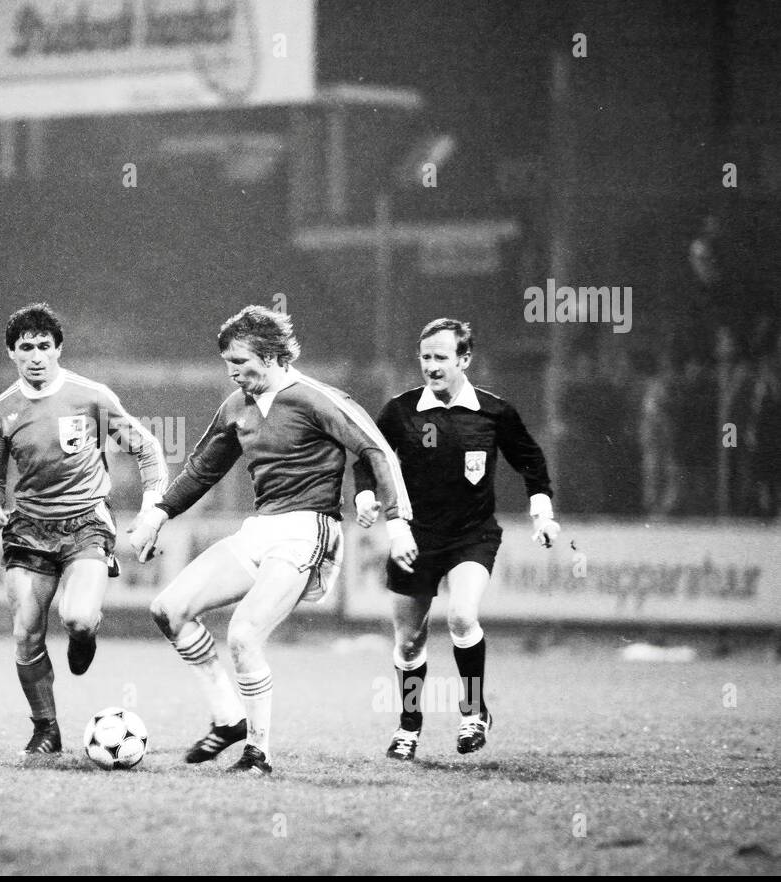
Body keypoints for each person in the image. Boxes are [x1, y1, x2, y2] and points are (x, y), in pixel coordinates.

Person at [129, 306, 416, 776]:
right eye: (228, 364)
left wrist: (396, 521)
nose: (233, 373)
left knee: (243, 635)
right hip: (260, 529)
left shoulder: (317, 398)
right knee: (168, 608)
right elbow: (202, 469)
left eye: (240, 363)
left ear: (272, 355)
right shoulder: (236, 407)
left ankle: (258, 754)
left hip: (309, 529)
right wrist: (157, 515)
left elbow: (376, 449)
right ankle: (228, 717)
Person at [353, 318, 558, 762]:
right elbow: (369, 458)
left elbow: (530, 459)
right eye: (425, 358)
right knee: (408, 640)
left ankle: (473, 712)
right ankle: (409, 727)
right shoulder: (400, 411)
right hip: (414, 536)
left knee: (463, 616)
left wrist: (542, 511)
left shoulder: (494, 411)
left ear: (465, 359)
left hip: (472, 535)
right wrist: (366, 494)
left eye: (441, 357)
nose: (431, 366)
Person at [0, 303, 167, 756]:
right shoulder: (0, 412)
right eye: (26, 348)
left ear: (59, 349)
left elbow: (147, 447)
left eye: (45, 346)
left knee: (77, 617)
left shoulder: (91, 397)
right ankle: (46, 729)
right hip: (28, 528)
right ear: (12, 354)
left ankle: (85, 636)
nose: (36, 355)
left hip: (85, 522)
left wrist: (151, 505)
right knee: (25, 631)